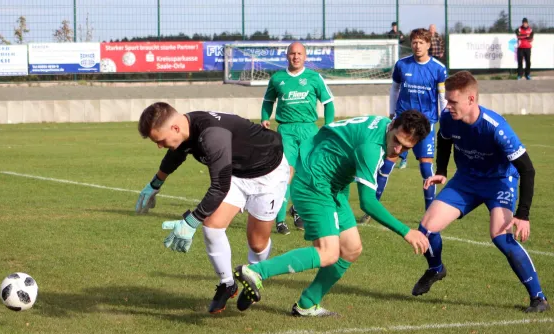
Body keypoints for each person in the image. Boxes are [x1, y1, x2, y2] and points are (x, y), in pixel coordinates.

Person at [232, 111, 431, 317]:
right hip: (314, 184)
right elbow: (368, 202)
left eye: (406, 147)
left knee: (351, 249)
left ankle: (307, 304)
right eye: (396, 141)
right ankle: (255, 272)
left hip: (331, 186)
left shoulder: (382, 123)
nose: (398, 149)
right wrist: (407, 232)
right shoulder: (370, 147)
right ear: (392, 127)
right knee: (328, 253)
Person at [410, 71, 549, 313]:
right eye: (447, 100)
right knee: (427, 228)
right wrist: (442, 169)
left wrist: (523, 215)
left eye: (453, 101)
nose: (448, 106)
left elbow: (527, 170)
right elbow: (444, 140)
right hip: (465, 180)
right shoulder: (448, 118)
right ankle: (435, 269)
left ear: (471, 100)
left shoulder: (496, 128)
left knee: (501, 237)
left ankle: (538, 298)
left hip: (499, 183)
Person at [135, 102, 290, 314]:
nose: (159, 146)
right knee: (212, 226)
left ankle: (255, 275)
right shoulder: (186, 128)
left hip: (267, 174)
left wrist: (190, 222)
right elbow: (177, 153)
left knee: (256, 242)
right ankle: (228, 283)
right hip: (235, 173)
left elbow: (219, 186)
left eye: (160, 140)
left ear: (175, 128)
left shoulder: (212, 136)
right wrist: (155, 183)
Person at [360, 28, 448, 224]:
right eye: (415, 42)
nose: (417, 46)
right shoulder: (402, 65)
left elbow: (442, 96)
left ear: (428, 45)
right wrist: (392, 112)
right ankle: (370, 210)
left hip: (425, 126)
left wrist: (445, 118)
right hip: (402, 124)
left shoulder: (438, 69)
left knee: (426, 168)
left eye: (421, 42)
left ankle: (429, 213)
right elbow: (394, 89)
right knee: (386, 166)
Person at [261, 41, 335, 236]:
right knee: (287, 172)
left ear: (305, 56)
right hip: (286, 130)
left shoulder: (314, 77)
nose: (296, 56)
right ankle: (279, 220)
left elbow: (328, 103)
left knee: (308, 173)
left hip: (309, 130)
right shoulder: (278, 78)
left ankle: (297, 209)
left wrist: (327, 126)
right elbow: (268, 102)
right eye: (292, 53)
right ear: (287, 56)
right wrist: (264, 118)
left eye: (299, 53)